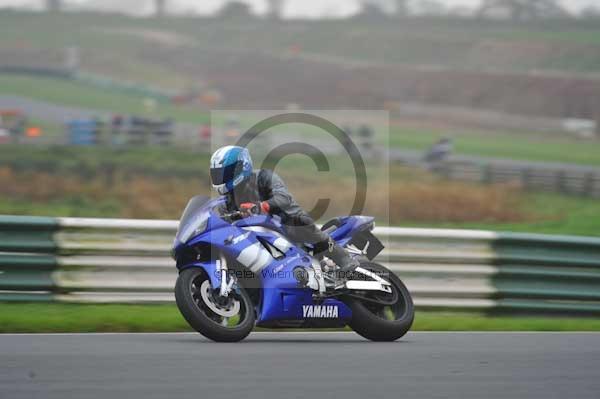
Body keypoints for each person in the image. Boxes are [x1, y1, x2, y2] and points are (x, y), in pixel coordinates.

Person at [209, 145, 359, 275]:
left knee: (300, 222)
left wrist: (260, 206)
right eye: (217, 173)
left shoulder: (264, 177)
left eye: (225, 172)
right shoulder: (226, 202)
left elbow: (283, 198)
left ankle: (345, 259)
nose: (220, 177)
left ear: (240, 167)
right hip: (258, 237)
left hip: (285, 224)